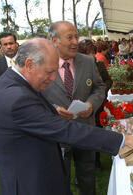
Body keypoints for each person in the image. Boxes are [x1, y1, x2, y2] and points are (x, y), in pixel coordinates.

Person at [0, 37, 133, 195]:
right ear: (29, 65)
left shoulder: (14, 83)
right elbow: (66, 131)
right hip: (32, 183)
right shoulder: (17, 98)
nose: (53, 78)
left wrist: (51, 110)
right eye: (50, 71)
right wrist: (124, 140)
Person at [41, 21, 103, 195]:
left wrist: (91, 104)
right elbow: (34, 96)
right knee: (59, 179)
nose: (76, 41)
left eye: (76, 36)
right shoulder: (41, 64)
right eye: (70, 37)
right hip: (56, 134)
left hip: (85, 130)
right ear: (54, 41)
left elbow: (99, 87)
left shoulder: (89, 61)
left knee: (87, 176)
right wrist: (53, 109)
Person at [78, 39, 113, 169]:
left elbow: (108, 81)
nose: (91, 55)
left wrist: (100, 93)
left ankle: (96, 160)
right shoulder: (76, 69)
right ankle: (82, 166)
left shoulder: (99, 65)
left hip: (97, 106)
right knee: (82, 135)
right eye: (87, 53)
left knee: (96, 132)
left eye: (92, 52)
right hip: (81, 107)